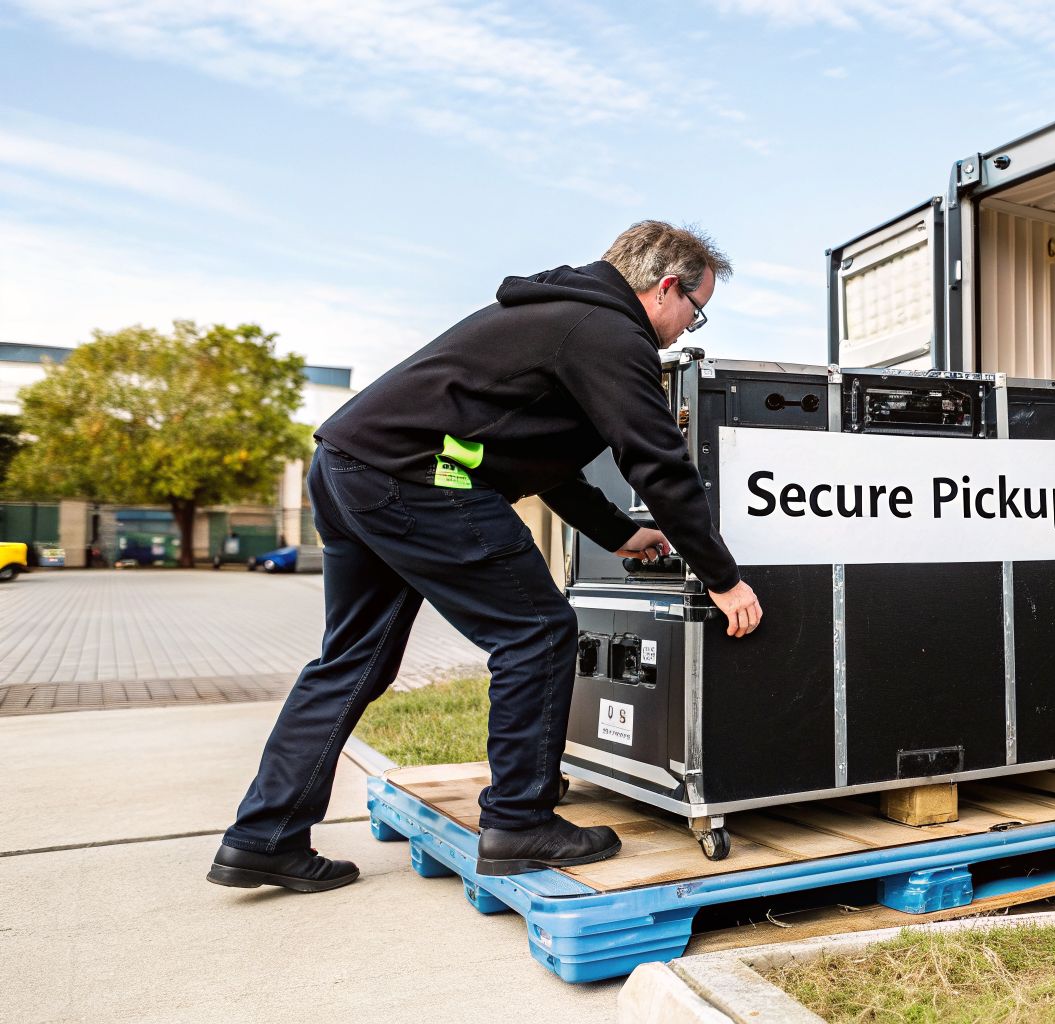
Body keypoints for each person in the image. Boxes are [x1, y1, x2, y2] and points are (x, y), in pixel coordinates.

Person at [209, 221, 762, 893]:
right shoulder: (612, 334)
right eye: (695, 311)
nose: (688, 327)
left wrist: (617, 533)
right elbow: (657, 463)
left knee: (353, 659)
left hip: (351, 465)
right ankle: (519, 822)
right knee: (537, 632)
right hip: (414, 477)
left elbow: (538, 459)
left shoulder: (562, 318)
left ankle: (263, 836)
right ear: (666, 287)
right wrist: (723, 577)